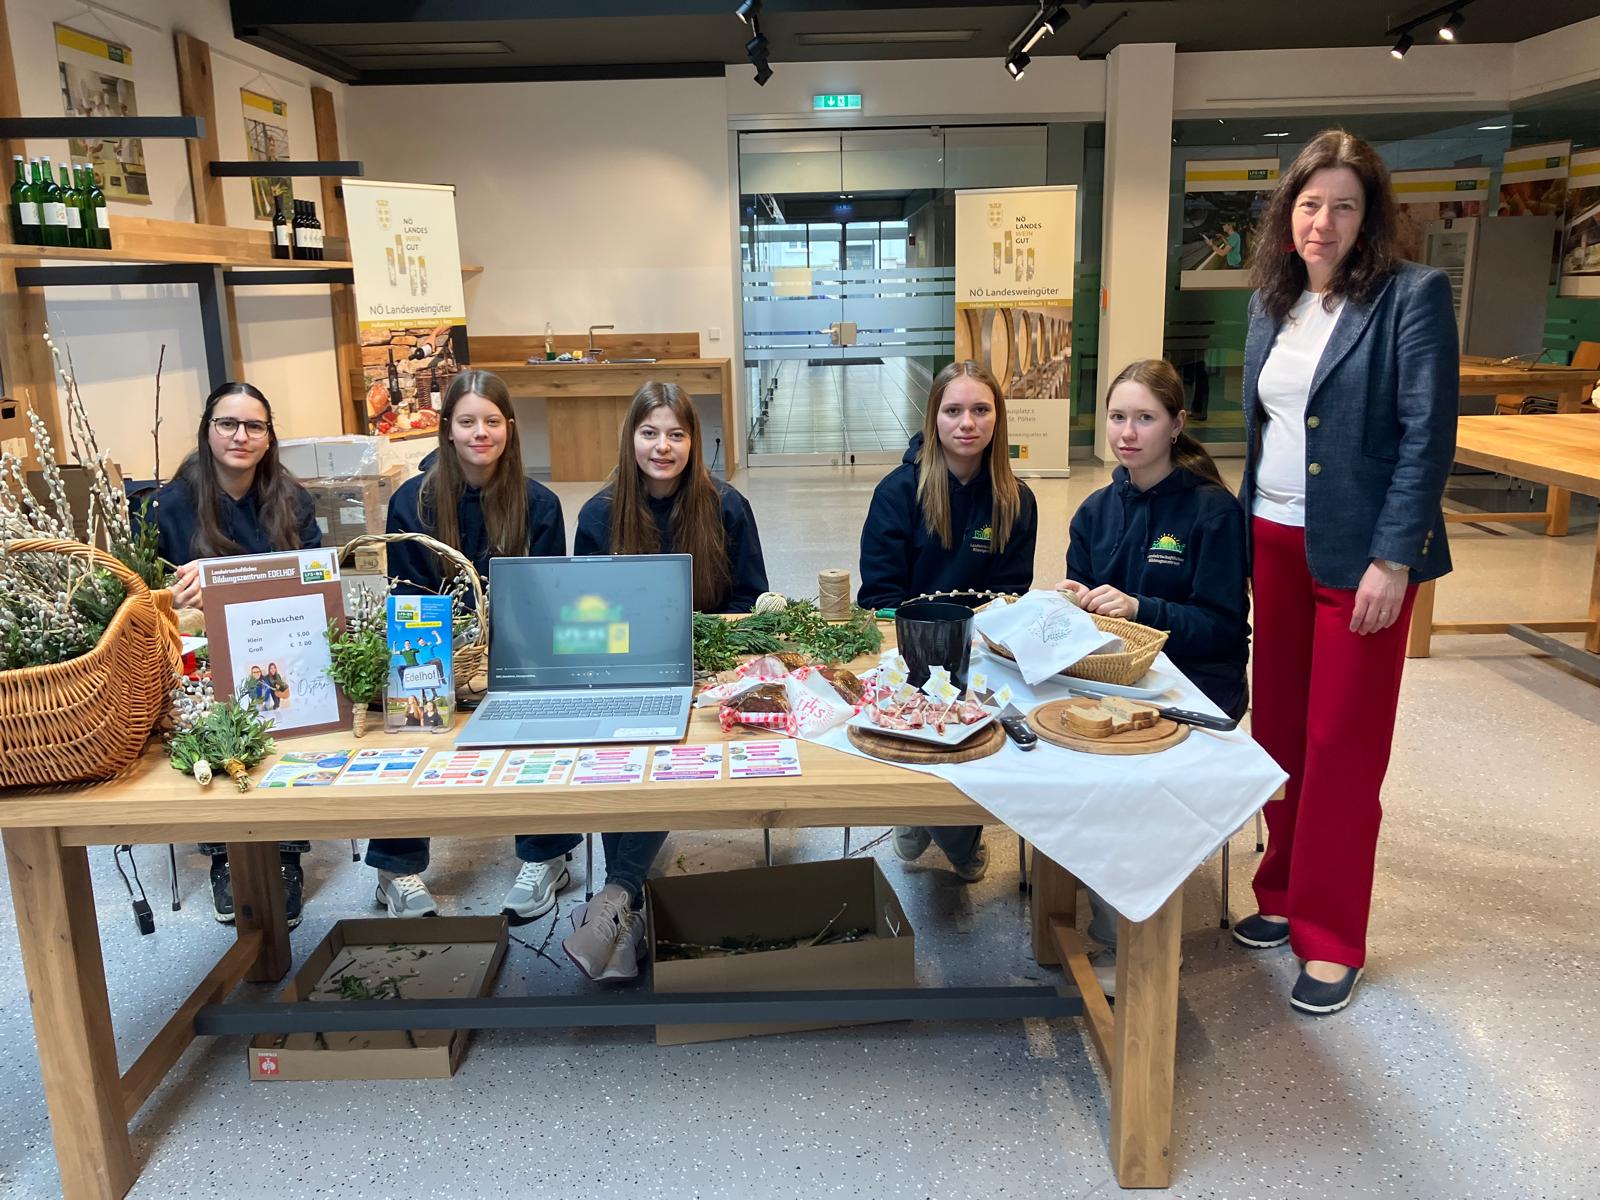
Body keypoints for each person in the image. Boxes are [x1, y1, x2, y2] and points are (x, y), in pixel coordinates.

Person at [1234, 129, 1457, 1015]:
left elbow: (1425, 436)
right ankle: (1280, 895)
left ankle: (1331, 934)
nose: (1322, 222)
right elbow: (1263, 431)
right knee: (1279, 736)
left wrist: (1394, 558)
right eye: (1309, 203)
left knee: (1340, 748)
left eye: (1343, 205)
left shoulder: (1410, 296)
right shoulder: (1273, 301)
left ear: (1371, 218)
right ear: (1288, 212)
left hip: (1361, 559)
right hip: (1273, 543)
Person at [516, 380, 770, 983]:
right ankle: (621, 904)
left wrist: (706, 652)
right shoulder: (601, 514)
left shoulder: (727, 505)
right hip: (628, 668)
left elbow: (750, 600)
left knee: (669, 740)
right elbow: (588, 613)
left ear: (694, 442)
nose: (663, 447)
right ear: (631, 438)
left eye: (676, 434)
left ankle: (615, 900)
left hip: (711, 672)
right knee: (623, 744)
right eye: (650, 433)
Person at [1054, 357, 1249, 996]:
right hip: (1112, 680)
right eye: (1117, 417)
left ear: (1176, 425)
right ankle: (1087, 903)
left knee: (1122, 780)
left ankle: (1134, 945)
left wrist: (1144, 609)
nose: (1128, 432)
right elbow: (1087, 625)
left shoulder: (1213, 513)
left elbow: (1224, 629)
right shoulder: (1093, 512)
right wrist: (1073, 605)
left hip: (1192, 686)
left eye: (1145, 417)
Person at [365, 370, 567, 921]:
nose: (481, 433)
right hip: (434, 647)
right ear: (447, 430)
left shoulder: (540, 504)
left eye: (492, 422)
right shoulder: (413, 501)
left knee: (546, 708)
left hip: (515, 650)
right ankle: (395, 867)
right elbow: (408, 601)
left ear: (510, 429)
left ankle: (546, 855)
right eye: (467, 422)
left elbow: (545, 600)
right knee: (403, 712)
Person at [858, 359, 1038, 883]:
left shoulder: (1015, 499)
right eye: (953, 410)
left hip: (979, 647)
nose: (967, 423)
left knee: (990, 716)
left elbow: (1012, 594)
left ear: (997, 419)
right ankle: (943, 827)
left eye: (981, 410)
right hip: (906, 646)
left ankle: (926, 818)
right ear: (933, 417)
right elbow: (881, 597)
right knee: (922, 710)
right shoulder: (898, 492)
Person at [152, 381, 319, 930]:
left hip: (275, 648)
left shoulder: (293, 500)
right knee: (213, 720)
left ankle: (286, 851)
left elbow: (318, 579)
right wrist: (167, 597)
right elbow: (132, 593)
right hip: (193, 661)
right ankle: (227, 854)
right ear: (207, 430)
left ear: (270, 438)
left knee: (292, 700)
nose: (240, 436)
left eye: (255, 426)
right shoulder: (167, 505)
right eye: (227, 423)